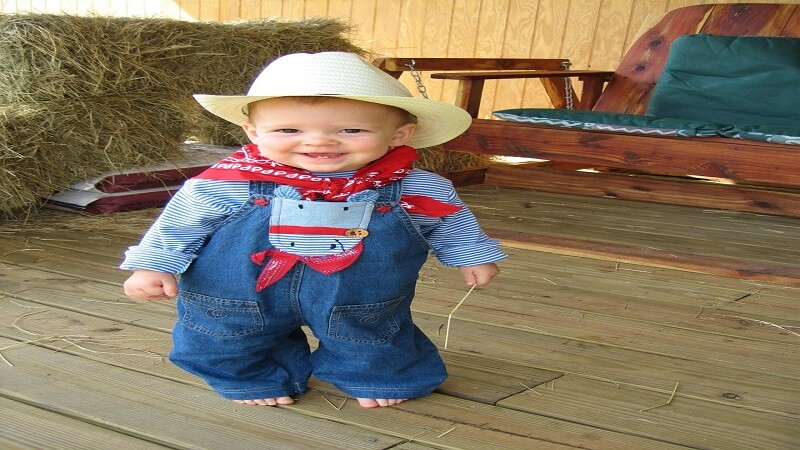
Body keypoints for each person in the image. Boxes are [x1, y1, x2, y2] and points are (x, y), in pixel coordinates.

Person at [121, 52, 505, 408]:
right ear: (253, 132)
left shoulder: (416, 185)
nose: (319, 140)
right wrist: (154, 265)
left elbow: (448, 220)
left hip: (361, 290)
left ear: (399, 135)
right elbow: (181, 222)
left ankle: (375, 377)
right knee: (227, 333)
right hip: (239, 288)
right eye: (289, 129)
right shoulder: (226, 181)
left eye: (351, 130)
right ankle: (251, 377)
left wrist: (471, 255)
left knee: (368, 332)